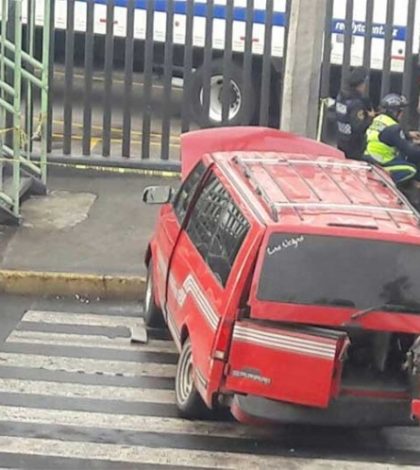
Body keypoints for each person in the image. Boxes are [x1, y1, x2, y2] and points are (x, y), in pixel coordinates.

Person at [365, 94, 420, 185]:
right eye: (401, 111)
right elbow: (410, 151)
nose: (402, 114)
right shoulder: (394, 128)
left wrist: (408, 135)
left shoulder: (378, 119)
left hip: (369, 156)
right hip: (381, 162)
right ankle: (389, 183)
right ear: (395, 112)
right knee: (411, 169)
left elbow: (386, 135)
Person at [336, 66, 375, 160]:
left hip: (342, 141)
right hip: (354, 147)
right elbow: (358, 127)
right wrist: (370, 118)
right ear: (361, 84)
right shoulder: (356, 103)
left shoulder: (341, 96)